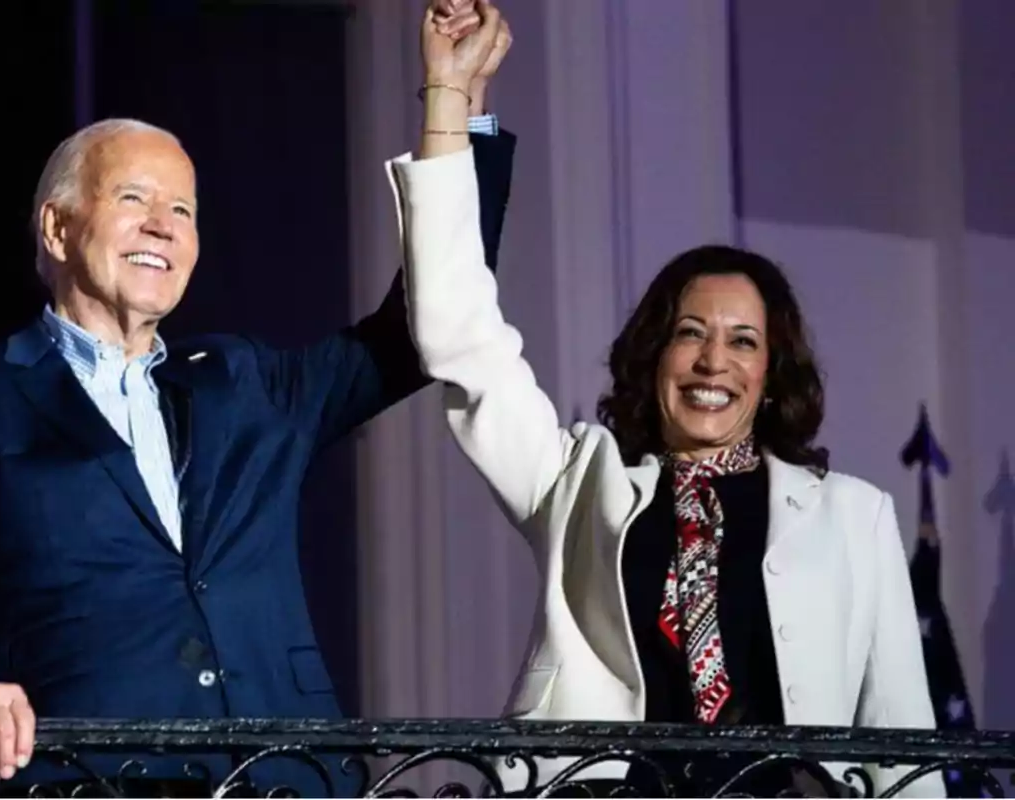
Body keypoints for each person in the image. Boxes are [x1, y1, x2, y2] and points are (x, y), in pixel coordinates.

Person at [0, 4, 513, 794]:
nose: (164, 227)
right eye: (135, 199)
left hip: (287, 776)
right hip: (90, 779)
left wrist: (453, 102)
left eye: (184, 210)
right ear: (59, 227)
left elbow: (428, 323)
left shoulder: (245, 381)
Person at [389, 2, 942, 796]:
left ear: (771, 372)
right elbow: (455, 336)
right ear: (655, 354)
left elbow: (903, 751)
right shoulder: (578, 485)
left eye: (744, 341)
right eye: (691, 332)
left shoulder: (856, 518)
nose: (713, 360)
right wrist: (448, 96)